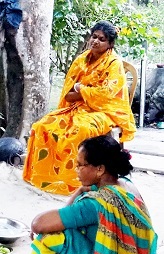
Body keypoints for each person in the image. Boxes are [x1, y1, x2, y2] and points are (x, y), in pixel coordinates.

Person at [23, 20, 136, 195]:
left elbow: (108, 95)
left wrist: (81, 89)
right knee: (42, 126)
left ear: (110, 44)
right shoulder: (81, 60)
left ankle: (74, 183)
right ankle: (46, 178)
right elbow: (68, 95)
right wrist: (87, 93)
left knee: (80, 130)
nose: (96, 41)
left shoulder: (114, 63)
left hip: (105, 111)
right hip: (77, 107)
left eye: (102, 39)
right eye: (94, 36)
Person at [26, 135, 157, 254]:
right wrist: (80, 191)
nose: (76, 170)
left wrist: (79, 193)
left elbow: (38, 224)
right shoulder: (127, 185)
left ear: (100, 169)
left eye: (80, 165)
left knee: (50, 237)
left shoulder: (97, 203)